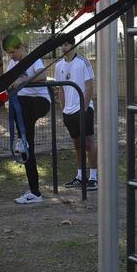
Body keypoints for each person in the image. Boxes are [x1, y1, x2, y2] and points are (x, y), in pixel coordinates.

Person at [4, 34, 51, 204]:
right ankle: (35, 192)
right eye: (9, 53)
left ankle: (21, 139)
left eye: (13, 52)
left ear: (21, 47)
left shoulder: (33, 59)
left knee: (20, 101)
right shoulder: (12, 64)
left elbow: (42, 75)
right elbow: (6, 81)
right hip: (23, 110)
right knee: (27, 150)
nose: (12, 56)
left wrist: (24, 78)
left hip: (39, 102)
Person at [53, 42, 98, 189]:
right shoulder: (59, 65)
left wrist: (84, 107)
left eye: (66, 44)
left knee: (88, 142)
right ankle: (80, 176)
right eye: (62, 45)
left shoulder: (83, 61)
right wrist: (64, 108)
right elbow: (60, 89)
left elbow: (90, 85)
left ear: (73, 45)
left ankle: (93, 177)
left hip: (83, 109)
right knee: (77, 144)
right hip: (68, 112)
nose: (63, 47)